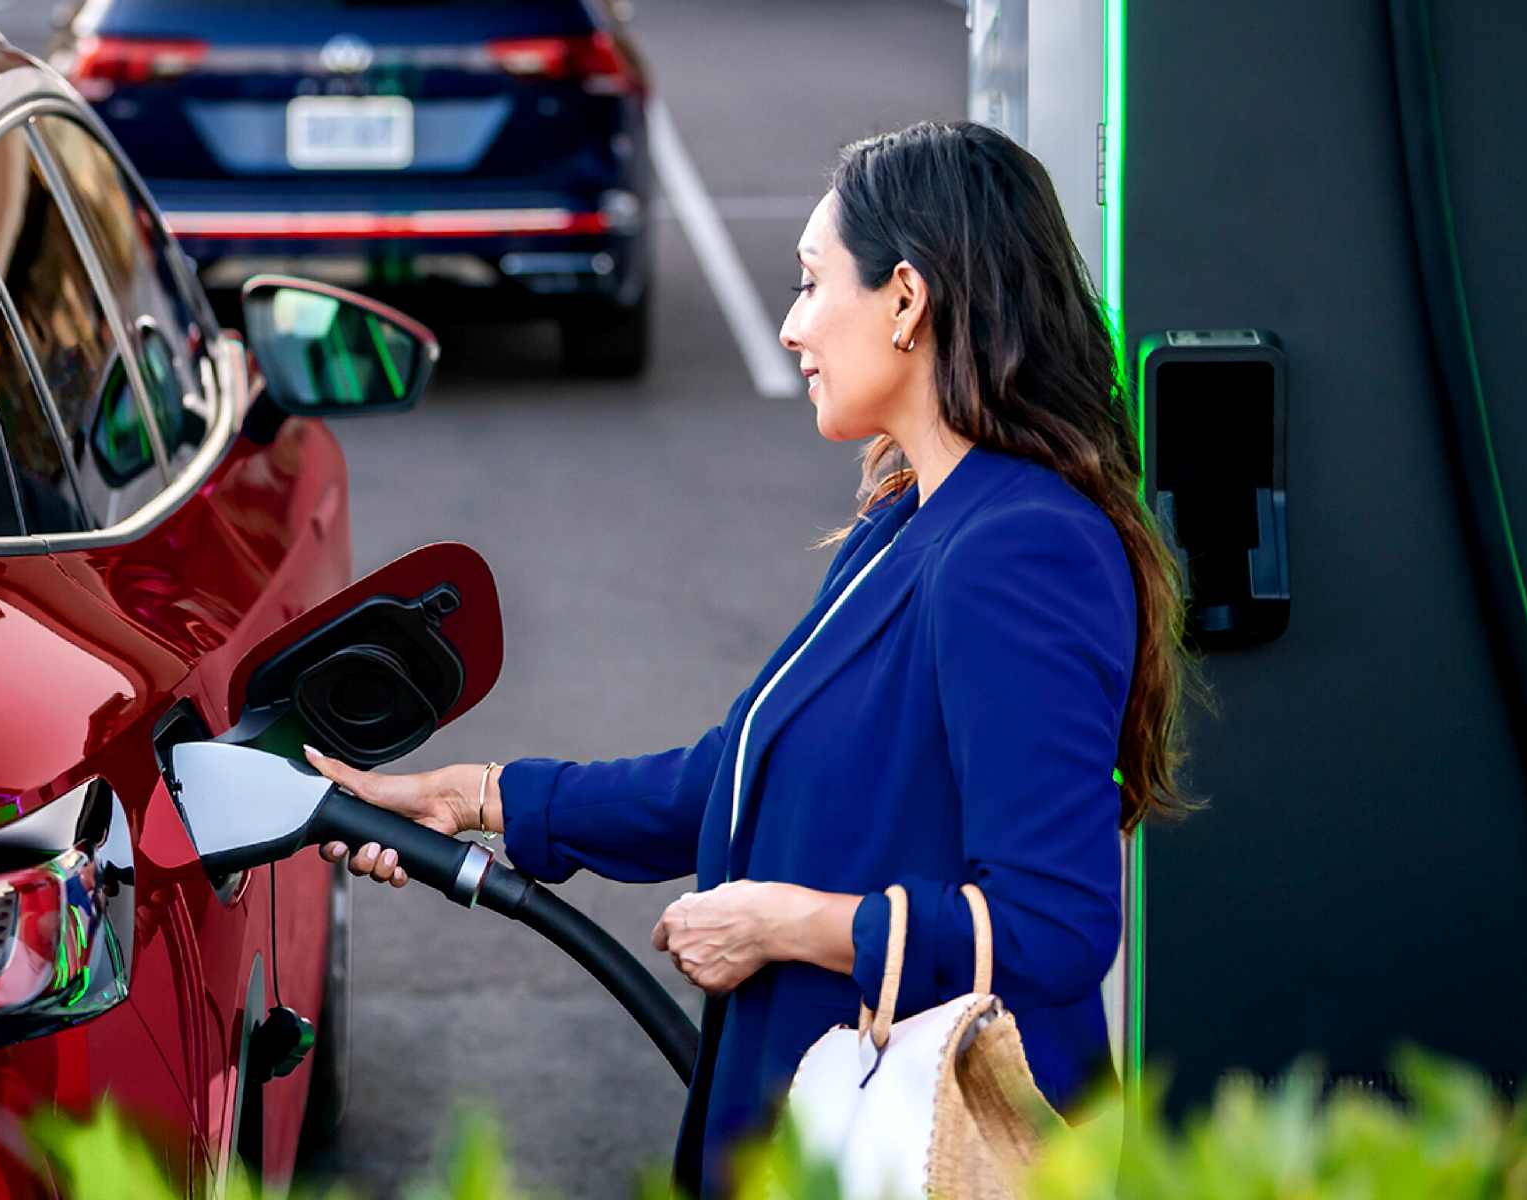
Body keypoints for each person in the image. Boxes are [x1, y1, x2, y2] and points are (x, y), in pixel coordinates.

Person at [303, 119, 1195, 1196]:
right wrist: (474, 797)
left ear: (907, 300)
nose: (788, 326)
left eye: (812, 283)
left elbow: (1054, 925)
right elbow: (731, 777)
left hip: (918, 1150)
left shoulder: (1018, 547)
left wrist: (790, 925)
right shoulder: (910, 518)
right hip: (837, 1122)